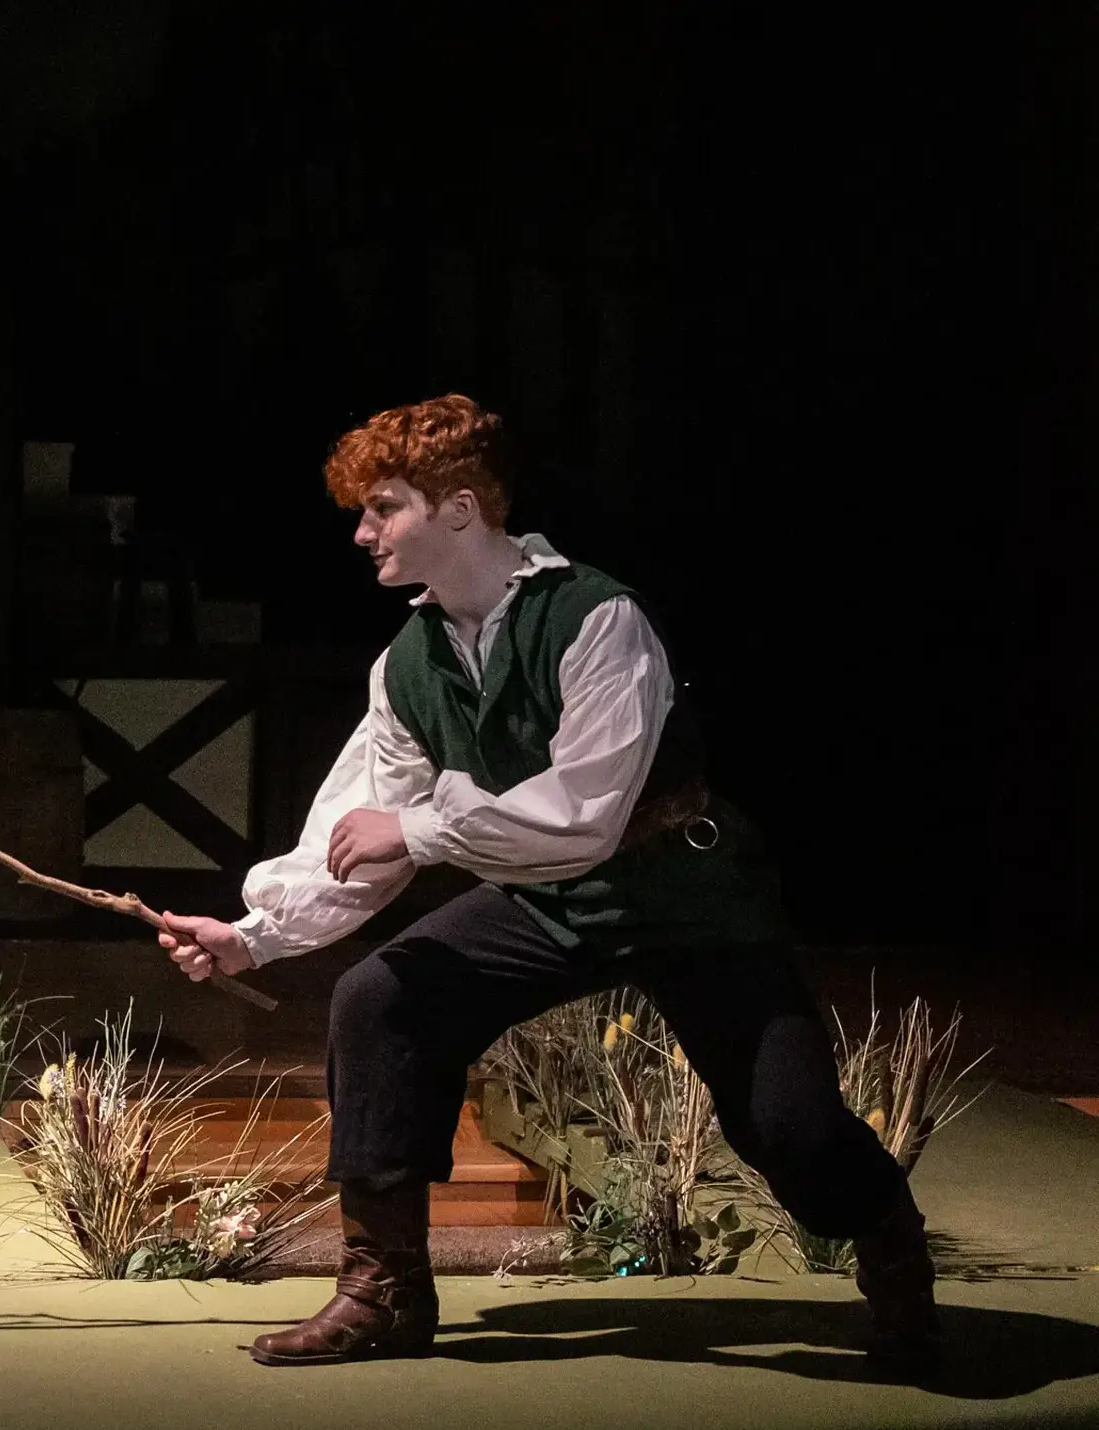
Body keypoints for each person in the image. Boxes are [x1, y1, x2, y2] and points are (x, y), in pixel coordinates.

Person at [158, 396, 937, 1375]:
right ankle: (385, 1286)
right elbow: (361, 831)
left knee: (790, 1126)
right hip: (547, 898)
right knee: (383, 996)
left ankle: (889, 1245)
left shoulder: (595, 619)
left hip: (679, 892)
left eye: (382, 507)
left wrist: (419, 826)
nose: (360, 532)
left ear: (458, 509)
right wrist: (251, 936)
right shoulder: (408, 663)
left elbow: (582, 813)